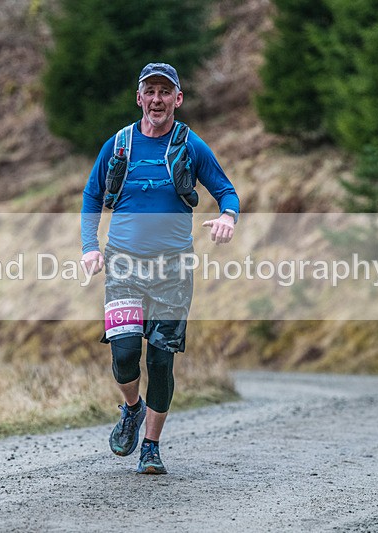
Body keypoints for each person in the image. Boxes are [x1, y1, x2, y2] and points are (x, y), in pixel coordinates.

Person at [80, 62, 239, 474]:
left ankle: (151, 447)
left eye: (165, 92)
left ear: (177, 99)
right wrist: (89, 247)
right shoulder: (118, 145)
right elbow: (92, 196)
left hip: (173, 270)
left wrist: (228, 217)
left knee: (162, 360)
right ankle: (132, 408)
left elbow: (226, 191)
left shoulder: (190, 145)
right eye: (149, 91)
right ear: (139, 98)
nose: (157, 99)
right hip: (123, 267)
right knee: (126, 352)